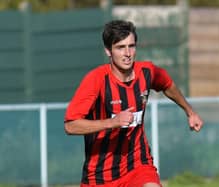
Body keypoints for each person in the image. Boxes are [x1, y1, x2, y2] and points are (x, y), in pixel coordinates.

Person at [64, 20, 203, 187]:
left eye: (131, 46)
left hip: (138, 165)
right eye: (120, 47)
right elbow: (70, 125)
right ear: (108, 51)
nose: (127, 53)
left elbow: (167, 84)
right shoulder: (96, 80)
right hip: (100, 177)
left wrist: (190, 111)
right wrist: (112, 122)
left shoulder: (146, 72)